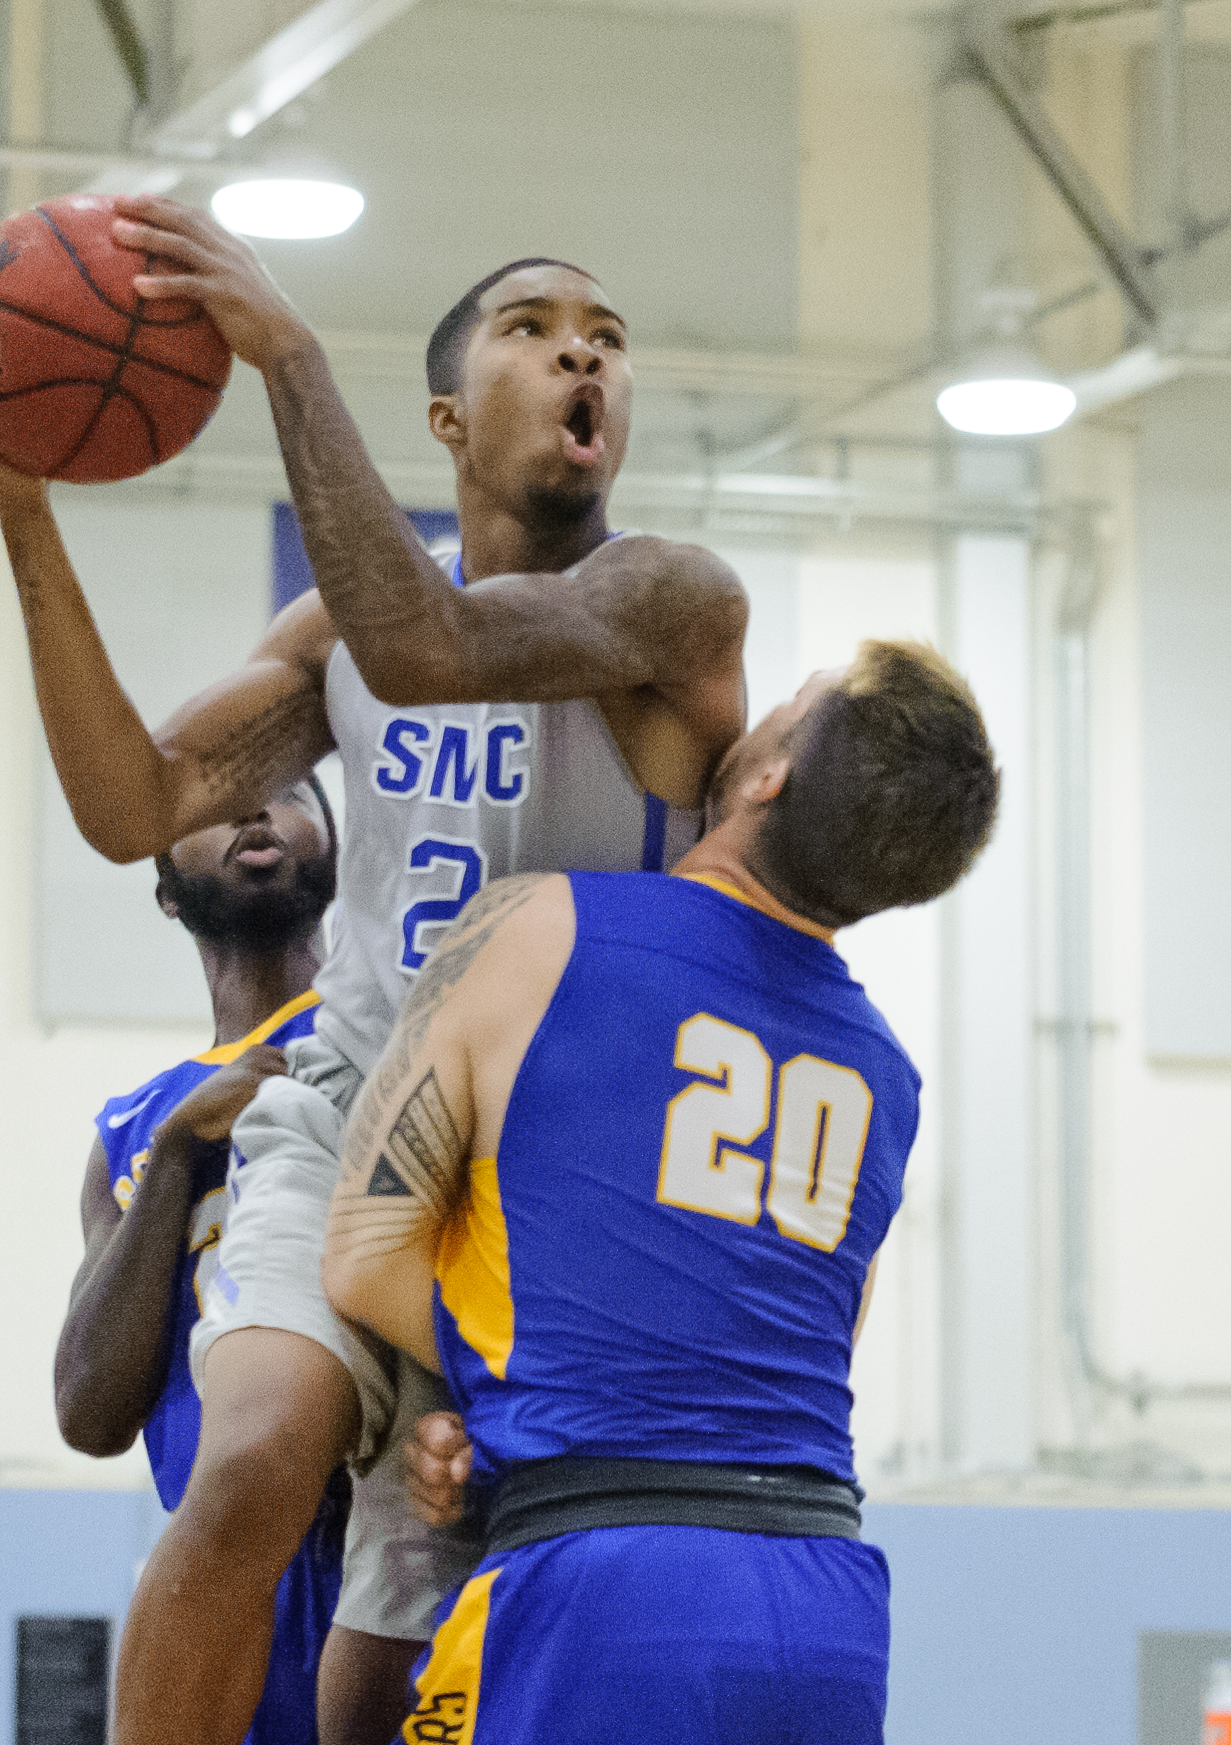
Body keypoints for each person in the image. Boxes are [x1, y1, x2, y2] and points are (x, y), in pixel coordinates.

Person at [0, 203, 750, 1745]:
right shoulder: (338, 635)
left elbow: (433, 639)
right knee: (250, 1461)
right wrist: (23, 508)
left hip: (562, 1188)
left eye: (608, 337)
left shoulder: (671, 601)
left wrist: (290, 356)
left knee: (404, 1646)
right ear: (443, 420)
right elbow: (129, 803)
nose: (583, 345)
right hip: (348, 1128)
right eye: (534, 324)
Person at [324, 641, 1001, 1743]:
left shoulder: (534, 924)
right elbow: (807, 1338)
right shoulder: (886, 1075)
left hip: (600, 1582)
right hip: (823, 1609)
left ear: (767, 773)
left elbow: (360, 1254)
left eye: (790, 700)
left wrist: (502, 1403)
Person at [54, 778, 341, 1745]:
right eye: (218, 802)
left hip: (389, 1546)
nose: (257, 813)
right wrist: (180, 1149)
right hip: (217, 1575)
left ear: (339, 853)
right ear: (167, 891)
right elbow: (88, 1411)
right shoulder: (133, 1129)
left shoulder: (394, 1039)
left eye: (289, 792)